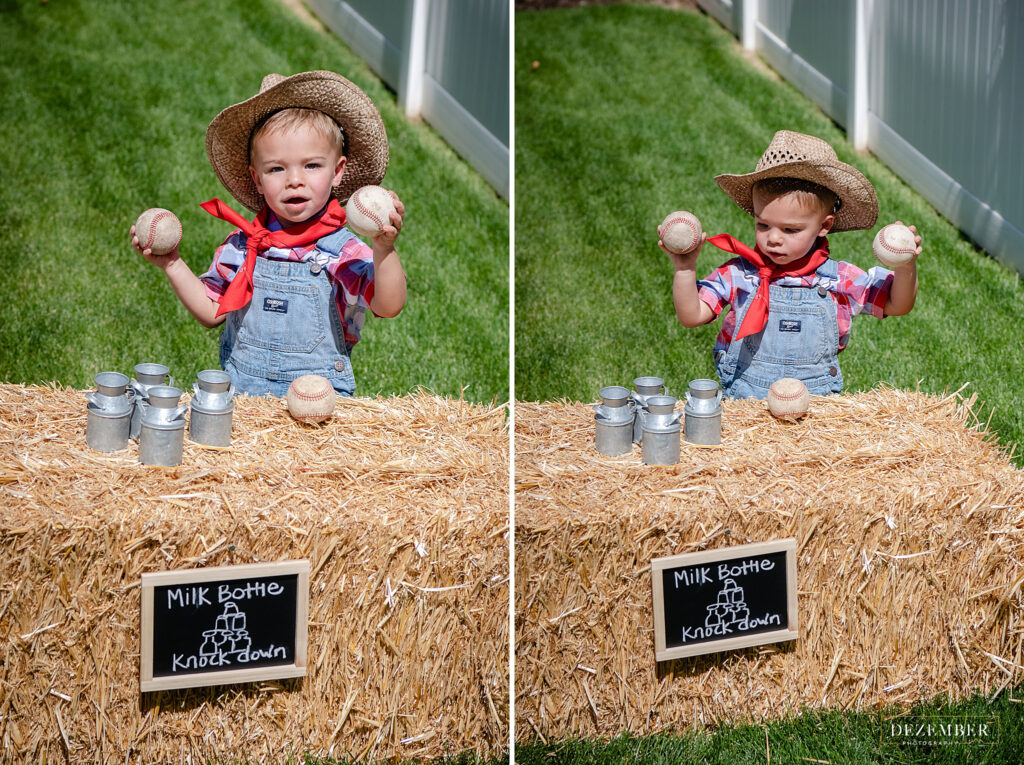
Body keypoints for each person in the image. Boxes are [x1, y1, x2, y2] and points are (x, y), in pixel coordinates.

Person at [131, 71, 406, 397]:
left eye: (312, 166)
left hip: (318, 406)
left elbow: (389, 305)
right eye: (277, 168)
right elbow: (210, 313)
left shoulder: (342, 252)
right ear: (257, 179)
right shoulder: (242, 246)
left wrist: (383, 249)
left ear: (338, 171)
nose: (294, 180)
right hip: (244, 402)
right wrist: (172, 263)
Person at [661, 130, 921, 400]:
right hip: (746, 406)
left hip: (815, 407)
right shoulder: (739, 275)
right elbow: (691, 317)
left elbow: (896, 304)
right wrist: (684, 268)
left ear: (824, 226)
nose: (773, 239)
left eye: (790, 229)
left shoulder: (838, 279)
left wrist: (906, 267)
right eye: (763, 224)